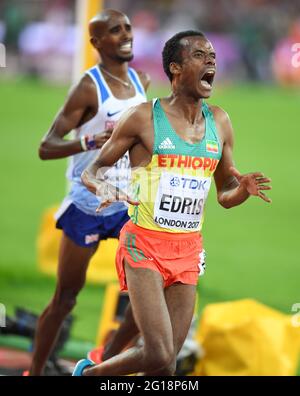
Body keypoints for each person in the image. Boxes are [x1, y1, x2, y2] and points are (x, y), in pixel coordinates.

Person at [73, 29, 272, 376]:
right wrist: (101, 186)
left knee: (166, 365)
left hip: (188, 250)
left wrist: (242, 190)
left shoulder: (220, 122)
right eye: (199, 55)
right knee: (157, 352)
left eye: (212, 55)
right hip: (144, 245)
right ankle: (87, 374)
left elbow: (225, 191)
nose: (211, 60)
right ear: (176, 69)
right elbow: (93, 170)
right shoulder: (143, 118)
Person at [29, 9, 150, 376]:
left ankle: (98, 364)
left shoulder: (143, 82)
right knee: (66, 298)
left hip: (128, 203)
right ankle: (34, 372)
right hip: (88, 203)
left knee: (149, 295)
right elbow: (46, 146)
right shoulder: (88, 87)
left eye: (127, 27)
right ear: (96, 43)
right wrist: (86, 141)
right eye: (115, 30)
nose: (126, 34)